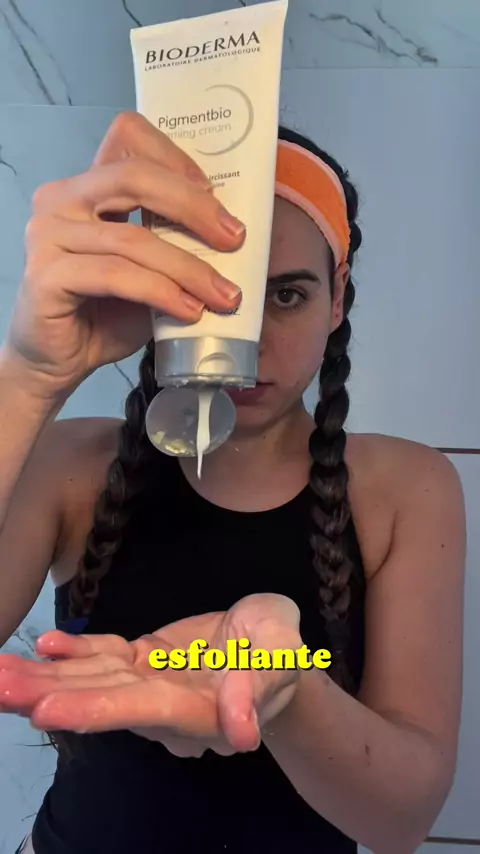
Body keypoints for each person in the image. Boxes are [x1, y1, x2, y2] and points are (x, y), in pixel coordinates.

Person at [0, 112, 465, 854]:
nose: (243, 339)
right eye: (214, 289)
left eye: (285, 295)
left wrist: (285, 690)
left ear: (337, 298)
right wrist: (31, 374)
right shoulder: (73, 463)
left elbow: (401, 821)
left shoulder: (407, 490)